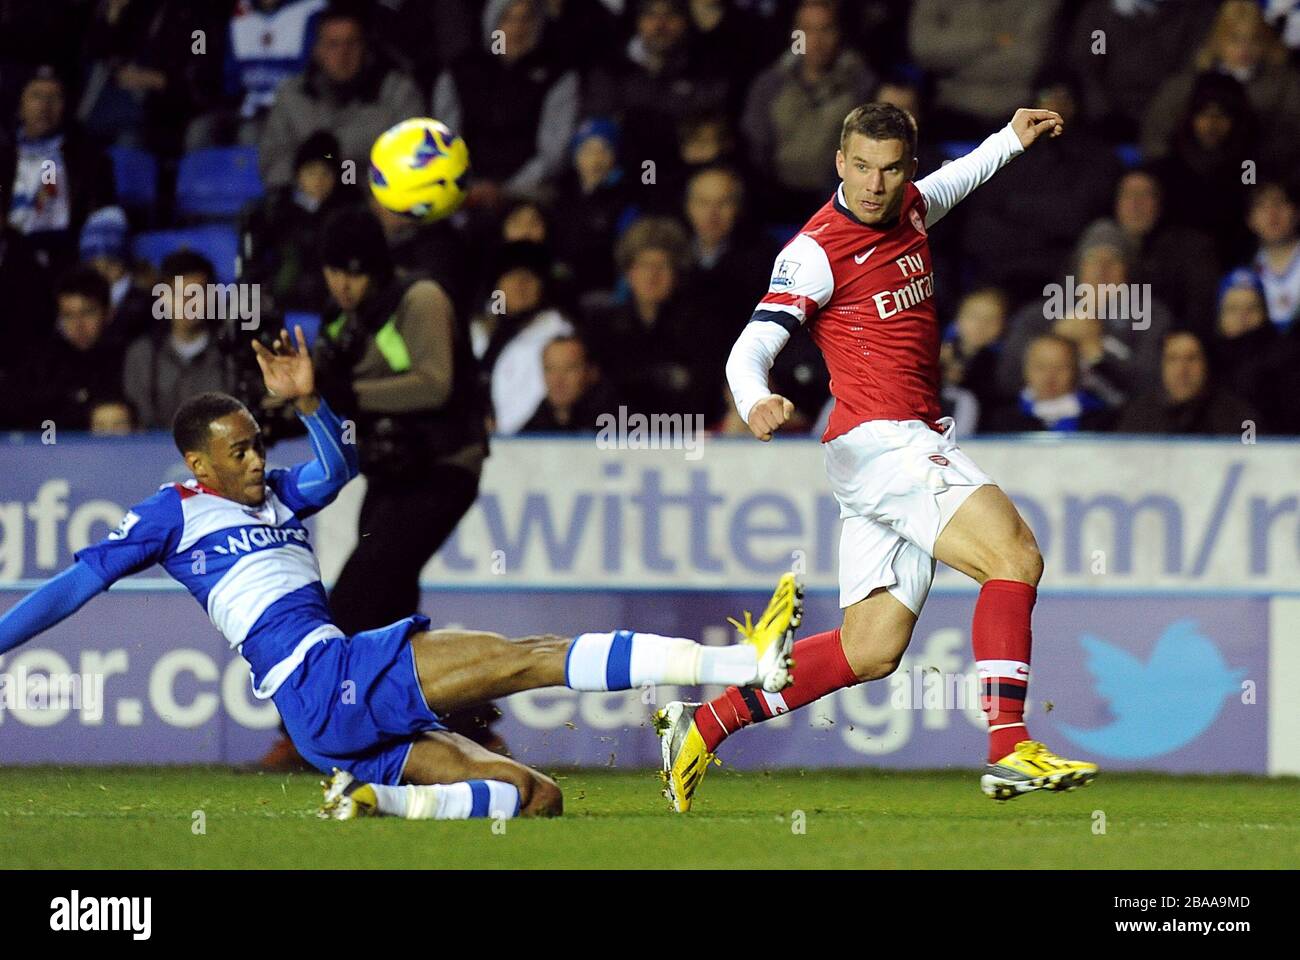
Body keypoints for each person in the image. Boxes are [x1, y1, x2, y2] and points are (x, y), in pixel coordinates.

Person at [0, 327, 800, 821]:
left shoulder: (274, 493)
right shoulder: (169, 512)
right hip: (324, 675)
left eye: (256, 442)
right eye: (238, 450)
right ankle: (746, 665)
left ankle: (379, 800)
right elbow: (76, 585)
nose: (255, 458)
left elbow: (338, 467)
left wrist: (309, 399)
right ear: (196, 463)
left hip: (327, 711)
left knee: (538, 799)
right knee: (531, 654)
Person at [656, 101, 1099, 813]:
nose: (873, 183)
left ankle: (701, 725)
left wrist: (1011, 140)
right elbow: (752, 345)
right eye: (860, 166)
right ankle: (1009, 747)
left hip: (881, 454)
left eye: (889, 170)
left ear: (905, 171)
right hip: (887, 442)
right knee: (1014, 556)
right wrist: (754, 397)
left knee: (871, 649)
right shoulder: (814, 251)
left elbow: (960, 179)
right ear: (839, 163)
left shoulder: (913, 209)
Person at [122, 250, 230, 429]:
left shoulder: (232, 353)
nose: (189, 303)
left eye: (197, 294)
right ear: (163, 298)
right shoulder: (141, 355)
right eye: (180, 295)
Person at [1117, 330, 1257, 435]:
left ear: (1207, 364)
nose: (1181, 370)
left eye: (1191, 358)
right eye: (1172, 359)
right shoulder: (1139, 415)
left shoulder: (1239, 418)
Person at [982, 334, 1114, 433]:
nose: (1050, 376)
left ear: (1076, 370)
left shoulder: (1101, 419)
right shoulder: (1002, 420)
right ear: (1026, 369)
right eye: (1041, 367)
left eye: (1060, 367)